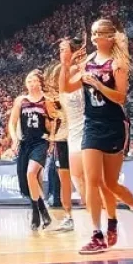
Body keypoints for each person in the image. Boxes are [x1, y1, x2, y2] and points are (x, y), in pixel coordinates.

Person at [73, 19, 133, 254]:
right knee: (91, 180)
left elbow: (120, 97)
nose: (94, 36)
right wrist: (68, 68)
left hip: (114, 124)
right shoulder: (86, 62)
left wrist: (98, 85)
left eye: (99, 33)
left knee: (110, 183)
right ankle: (96, 233)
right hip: (91, 124)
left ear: (109, 37)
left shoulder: (117, 63)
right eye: (93, 32)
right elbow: (68, 86)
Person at [59, 37, 119, 242]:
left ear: (75, 51)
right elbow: (62, 90)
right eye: (60, 49)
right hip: (72, 132)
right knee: (82, 183)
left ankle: (109, 222)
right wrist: (65, 66)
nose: (61, 52)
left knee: (98, 182)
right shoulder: (65, 71)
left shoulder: (87, 69)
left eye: (64, 49)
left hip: (90, 126)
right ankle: (98, 224)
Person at [8, 70, 53, 231]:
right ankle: (40, 210)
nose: (32, 84)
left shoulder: (47, 100)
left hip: (41, 141)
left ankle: (37, 212)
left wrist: (52, 137)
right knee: (28, 180)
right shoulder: (21, 100)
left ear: (40, 83)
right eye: (29, 81)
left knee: (31, 173)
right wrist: (14, 139)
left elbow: (54, 122)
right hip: (25, 142)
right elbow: (12, 123)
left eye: (35, 80)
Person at [44, 64, 74, 232]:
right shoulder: (51, 100)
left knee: (85, 178)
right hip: (62, 140)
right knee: (65, 180)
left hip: (78, 137)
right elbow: (52, 120)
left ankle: (101, 216)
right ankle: (68, 216)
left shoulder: (75, 92)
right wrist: (51, 140)